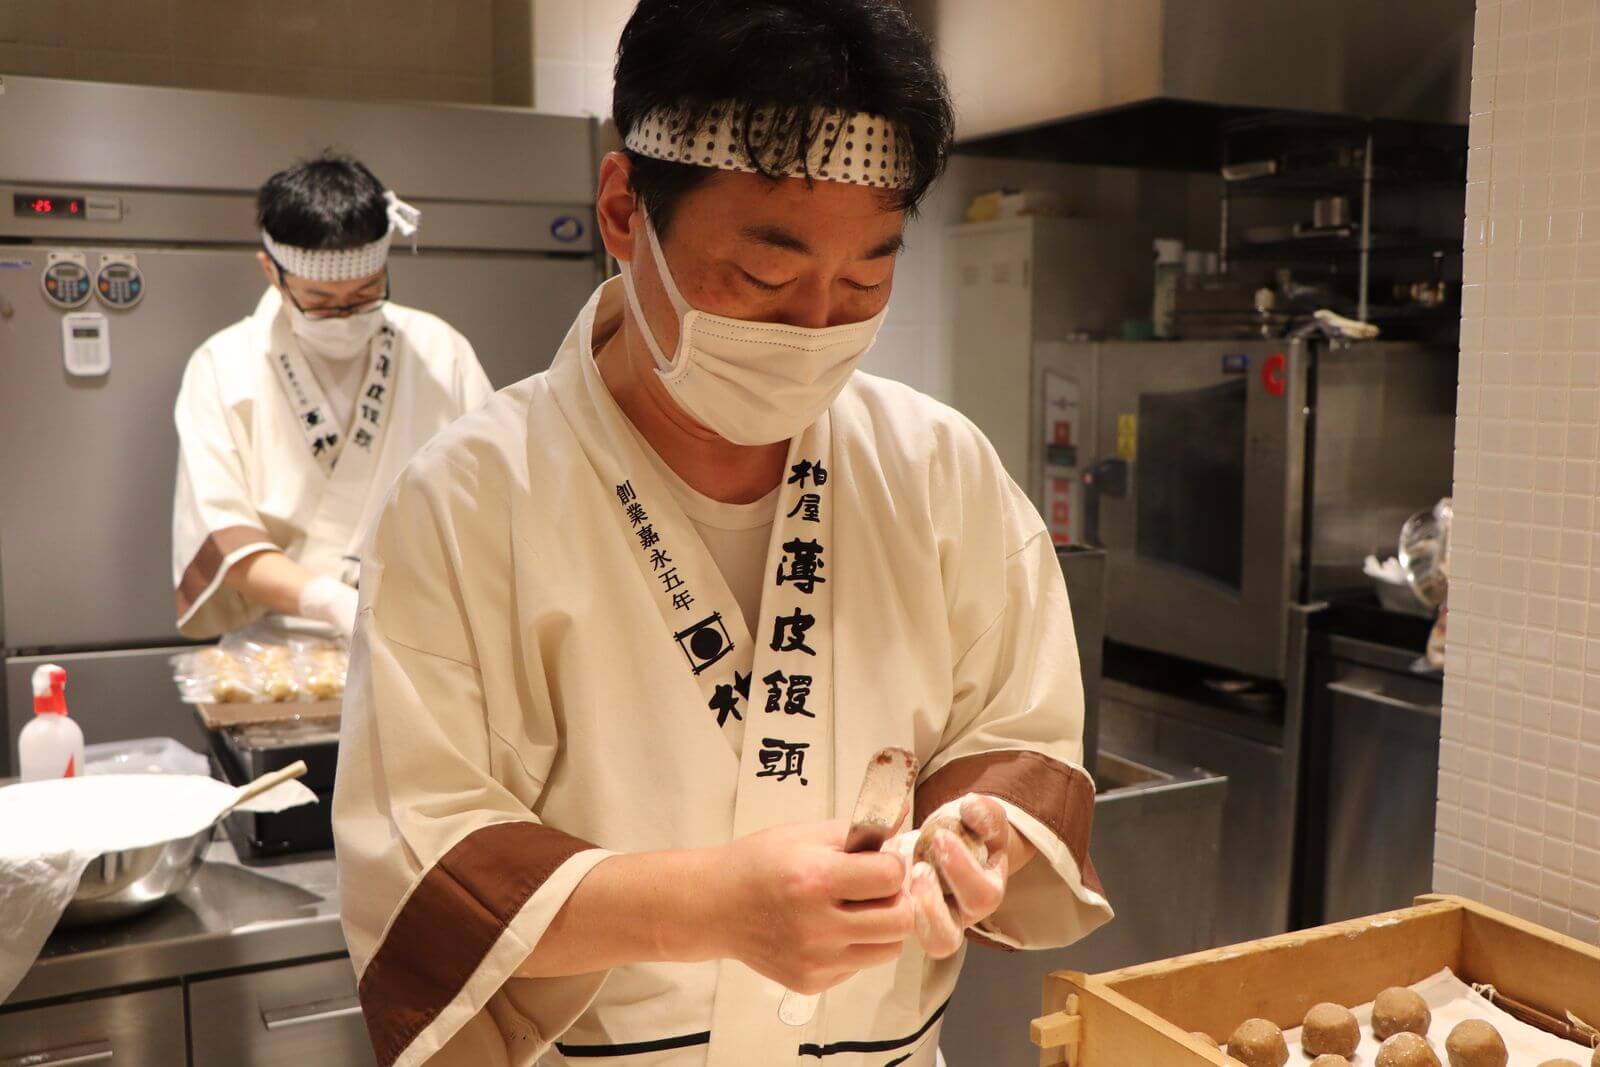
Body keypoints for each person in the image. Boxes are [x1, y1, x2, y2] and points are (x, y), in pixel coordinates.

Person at [333, 3, 1111, 1064]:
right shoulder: (468, 502)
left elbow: (1016, 733)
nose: (814, 330)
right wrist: (706, 903)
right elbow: (422, 862)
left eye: (864, 282)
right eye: (762, 278)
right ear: (623, 208)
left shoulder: (939, 471)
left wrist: (978, 836)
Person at [171, 154, 492, 641]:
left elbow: (492, 502)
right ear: (271, 271)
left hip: (422, 637)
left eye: (365, 294)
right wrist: (330, 601)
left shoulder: (438, 351)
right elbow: (220, 534)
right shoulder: (222, 366)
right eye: (320, 300)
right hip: (279, 649)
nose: (345, 315)